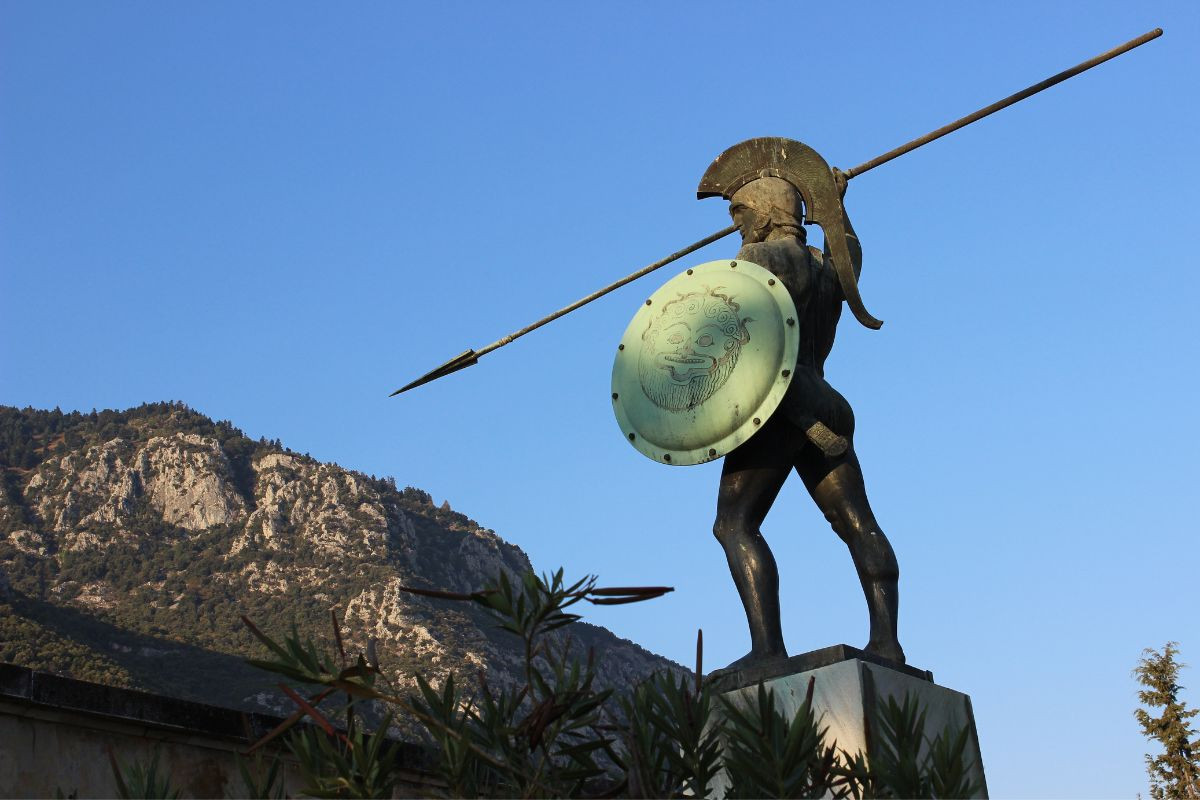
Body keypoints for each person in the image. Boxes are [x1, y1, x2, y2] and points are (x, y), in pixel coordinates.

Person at [712, 173, 905, 671]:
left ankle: (766, 651)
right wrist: (835, 206)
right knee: (857, 523)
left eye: (741, 213)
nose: (738, 225)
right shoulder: (827, 265)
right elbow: (850, 253)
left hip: (780, 400)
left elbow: (740, 341)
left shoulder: (754, 262)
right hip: (828, 400)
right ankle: (887, 643)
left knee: (734, 523)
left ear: (766, 211)